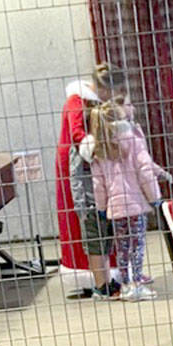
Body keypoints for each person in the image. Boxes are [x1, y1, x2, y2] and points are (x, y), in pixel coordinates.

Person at [89, 100, 171, 302]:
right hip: (135, 207)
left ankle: (126, 285)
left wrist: (101, 208)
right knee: (137, 246)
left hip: (115, 210)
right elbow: (145, 171)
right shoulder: (134, 140)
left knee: (123, 248)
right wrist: (155, 199)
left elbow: (98, 185)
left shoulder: (99, 149)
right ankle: (137, 284)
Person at [55, 64, 121, 295]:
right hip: (80, 168)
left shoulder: (90, 101)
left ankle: (104, 276)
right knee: (89, 224)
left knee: (98, 225)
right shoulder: (77, 101)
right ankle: (99, 280)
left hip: (90, 165)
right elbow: (77, 134)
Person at [70, 137, 118, 299]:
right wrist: (81, 206)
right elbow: (75, 177)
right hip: (90, 205)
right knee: (94, 246)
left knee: (105, 244)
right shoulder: (79, 148)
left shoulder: (102, 142)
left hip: (105, 203)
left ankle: (107, 280)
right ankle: (100, 285)